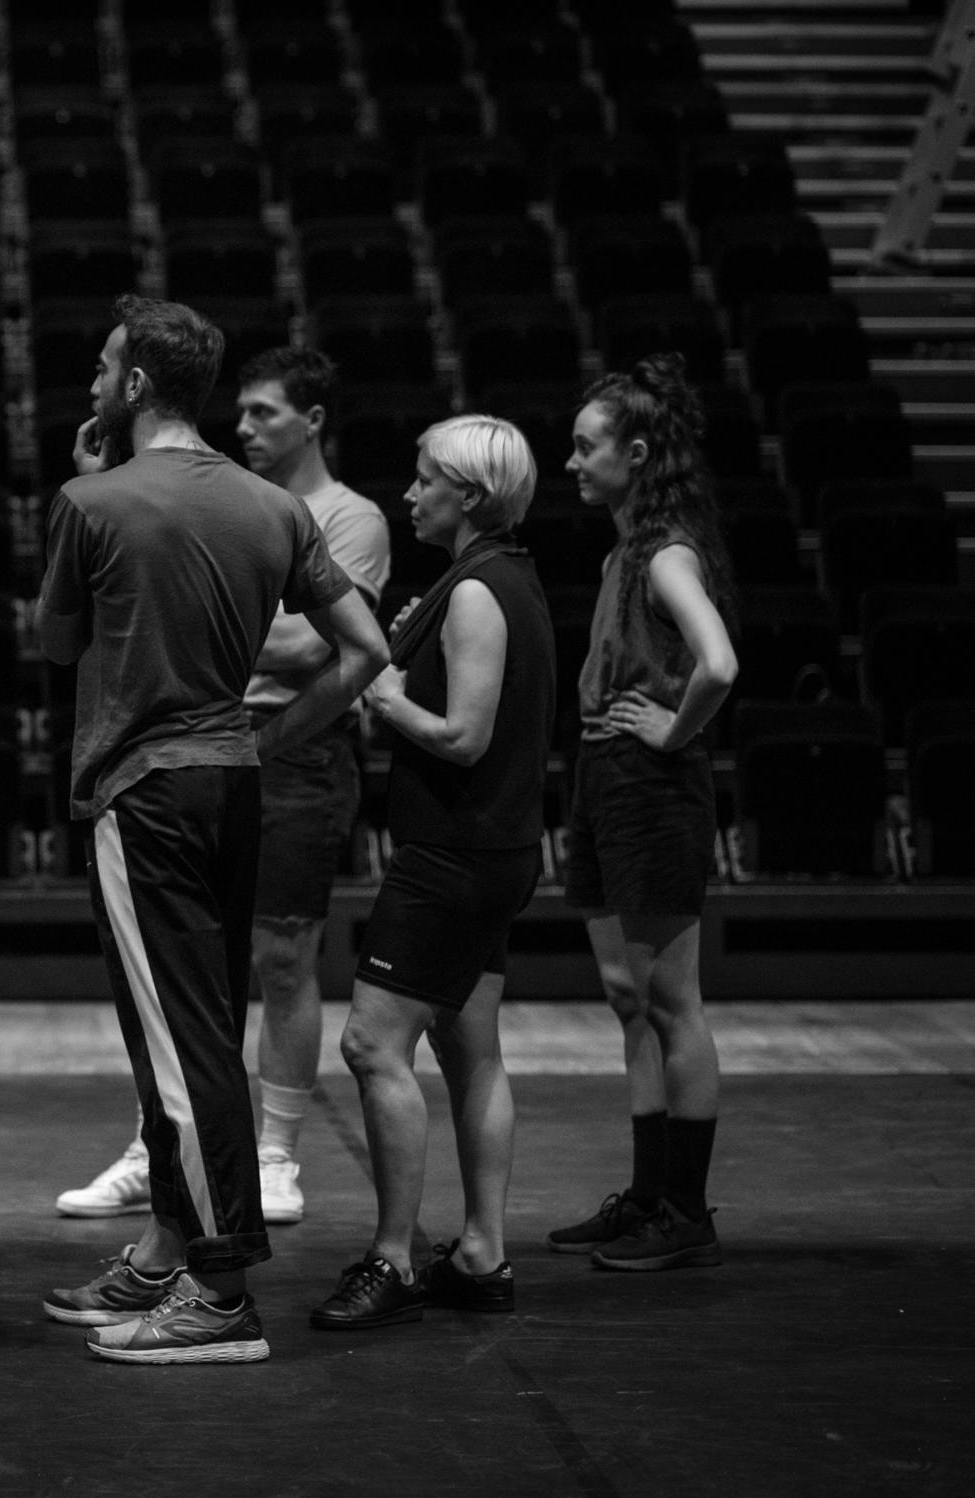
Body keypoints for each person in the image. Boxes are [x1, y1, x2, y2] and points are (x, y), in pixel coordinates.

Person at [38, 297, 389, 1365]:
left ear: (139, 384)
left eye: (105, 366)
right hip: (234, 781)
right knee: (187, 1031)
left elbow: (55, 643)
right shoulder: (273, 507)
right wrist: (277, 741)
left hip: (143, 793)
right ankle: (165, 1250)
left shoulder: (92, 501)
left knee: (182, 1045)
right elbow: (365, 648)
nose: (94, 381)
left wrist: (90, 478)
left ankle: (223, 1289)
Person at [308, 416, 553, 1331]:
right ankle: (482, 1254)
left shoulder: (480, 592)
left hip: (454, 858)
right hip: (490, 852)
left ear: (472, 497)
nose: (409, 495)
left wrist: (389, 700)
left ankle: (392, 1260)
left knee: (373, 1045)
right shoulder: (495, 578)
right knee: (467, 1046)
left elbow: (465, 735)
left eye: (424, 481)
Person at [551, 356, 739, 1272]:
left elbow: (720, 662)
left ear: (634, 452)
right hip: (604, 773)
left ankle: (687, 1210)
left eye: (587, 448)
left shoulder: (664, 552)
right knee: (630, 999)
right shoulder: (622, 549)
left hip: (649, 782)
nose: (573, 462)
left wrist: (671, 734)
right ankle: (647, 1193)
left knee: (672, 999)